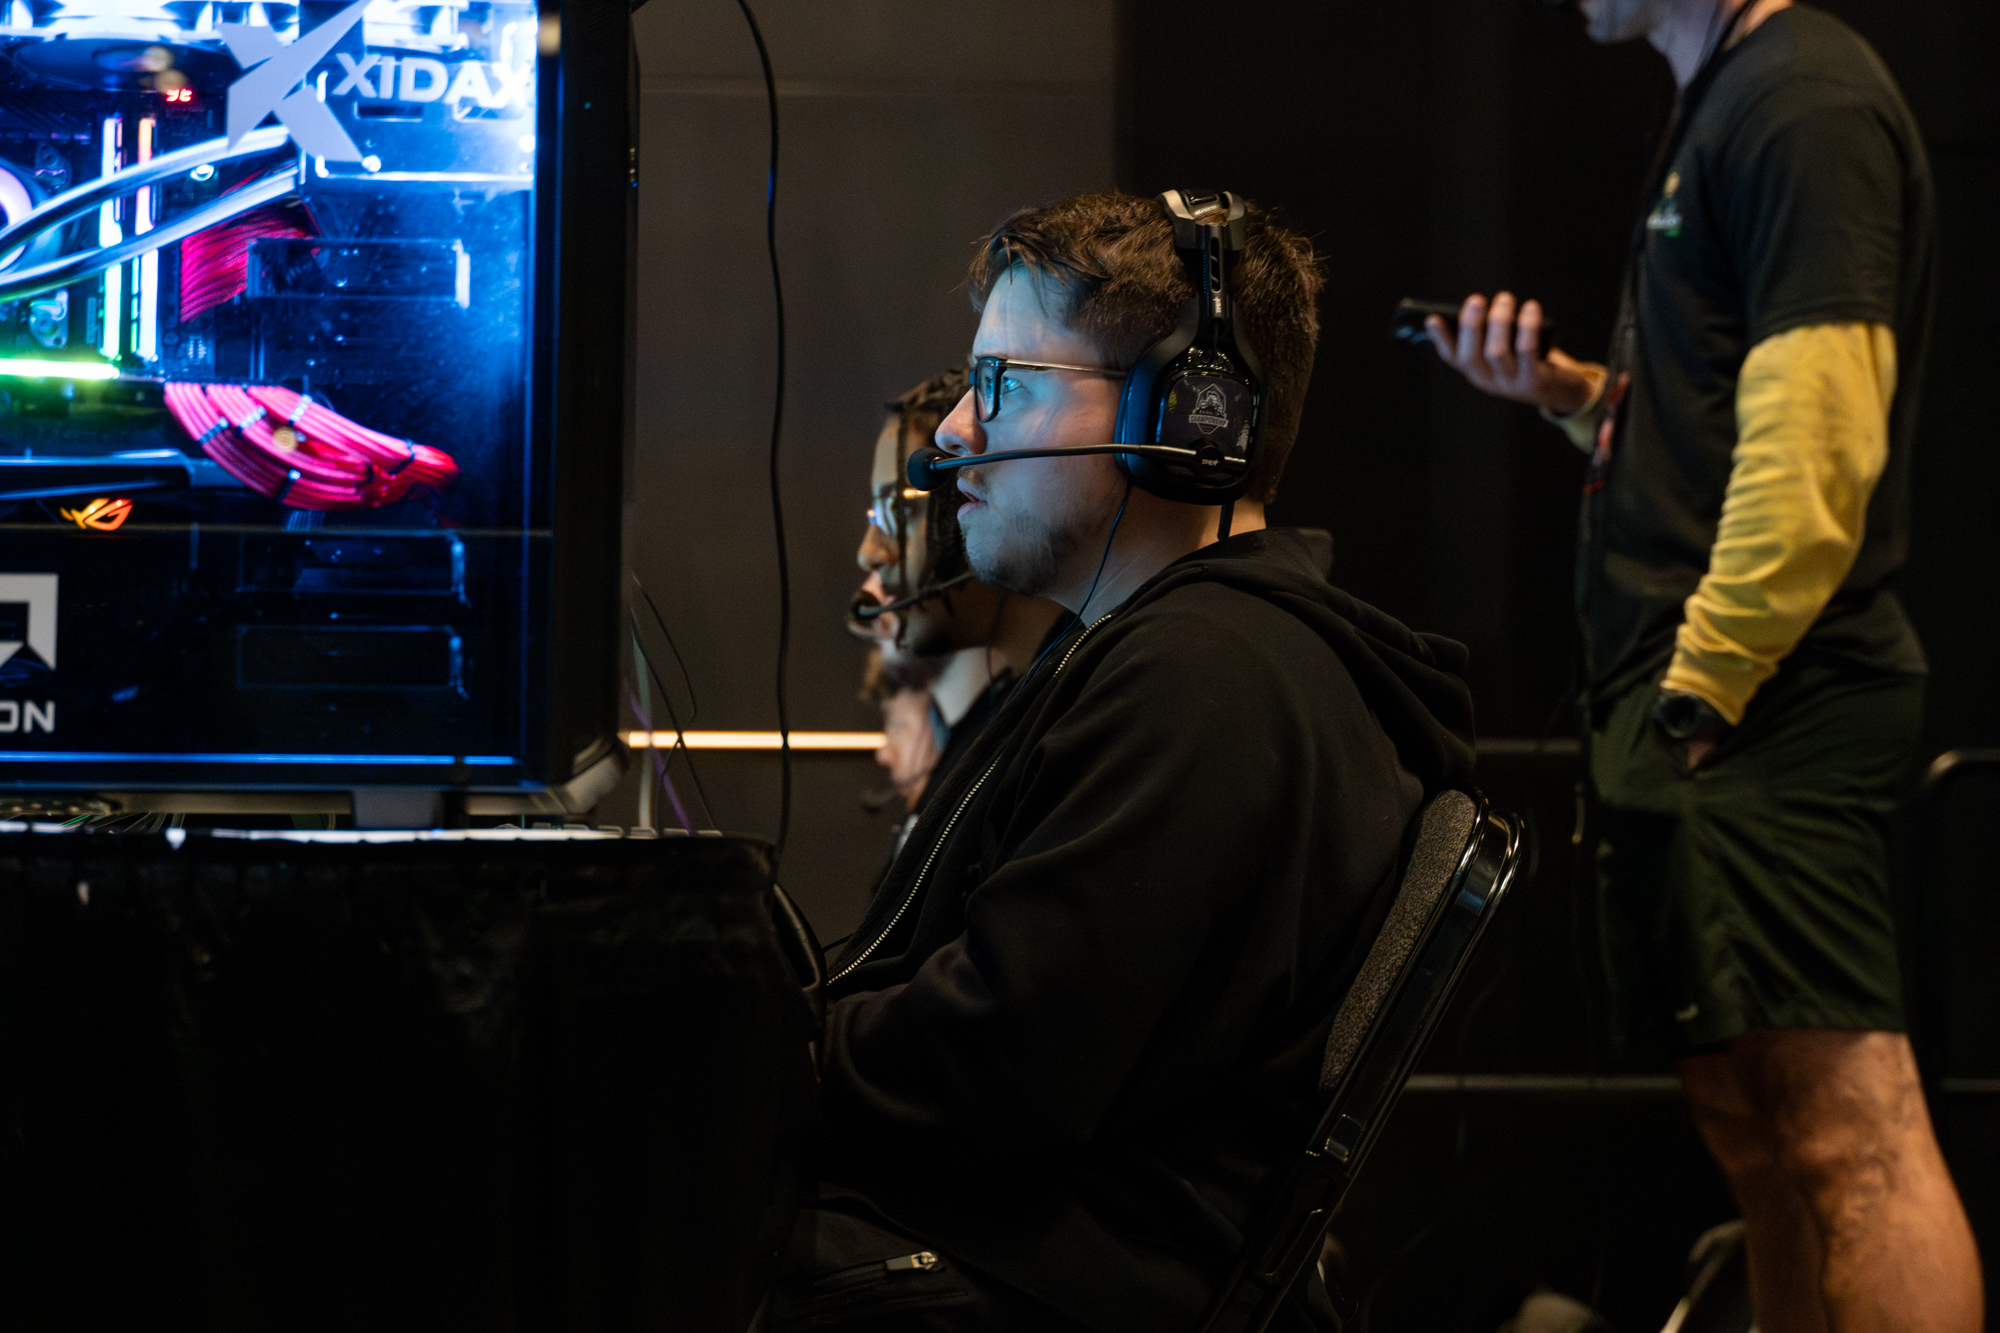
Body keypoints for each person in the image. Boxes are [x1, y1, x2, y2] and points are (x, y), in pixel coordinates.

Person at [760, 192, 1476, 1332]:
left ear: (1185, 414)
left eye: (1003, 382)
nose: (954, 434)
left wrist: (734, 1054)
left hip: (1046, 1282)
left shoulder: (1202, 682)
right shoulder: (1186, 655)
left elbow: (991, 1071)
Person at [1425, 1, 1980, 1330]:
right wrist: (1575, 397)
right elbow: (1728, 425)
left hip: (1766, 701)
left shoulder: (1802, 99)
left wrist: (1700, 689)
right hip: (1719, 705)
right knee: (1759, 1127)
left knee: (1849, 1134)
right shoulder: (1726, 92)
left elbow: (1817, 448)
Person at [850, 369, 1066, 829]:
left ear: (972, 499)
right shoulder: (1001, 723)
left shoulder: (1068, 729)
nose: (868, 553)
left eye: (899, 511)